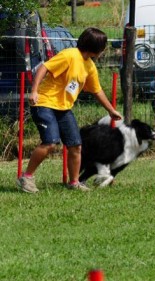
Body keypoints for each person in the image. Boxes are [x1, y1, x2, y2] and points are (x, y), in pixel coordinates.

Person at [16, 27, 122, 193]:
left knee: (75, 146)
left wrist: (110, 110)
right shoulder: (69, 55)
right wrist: (34, 90)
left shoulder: (89, 66)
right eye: (103, 46)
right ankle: (26, 177)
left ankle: (74, 183)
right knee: (50, 142)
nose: (103, 50)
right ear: (95, 47)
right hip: (44, 103)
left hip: (63, 108)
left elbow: (96, 90)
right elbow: (44, 68)